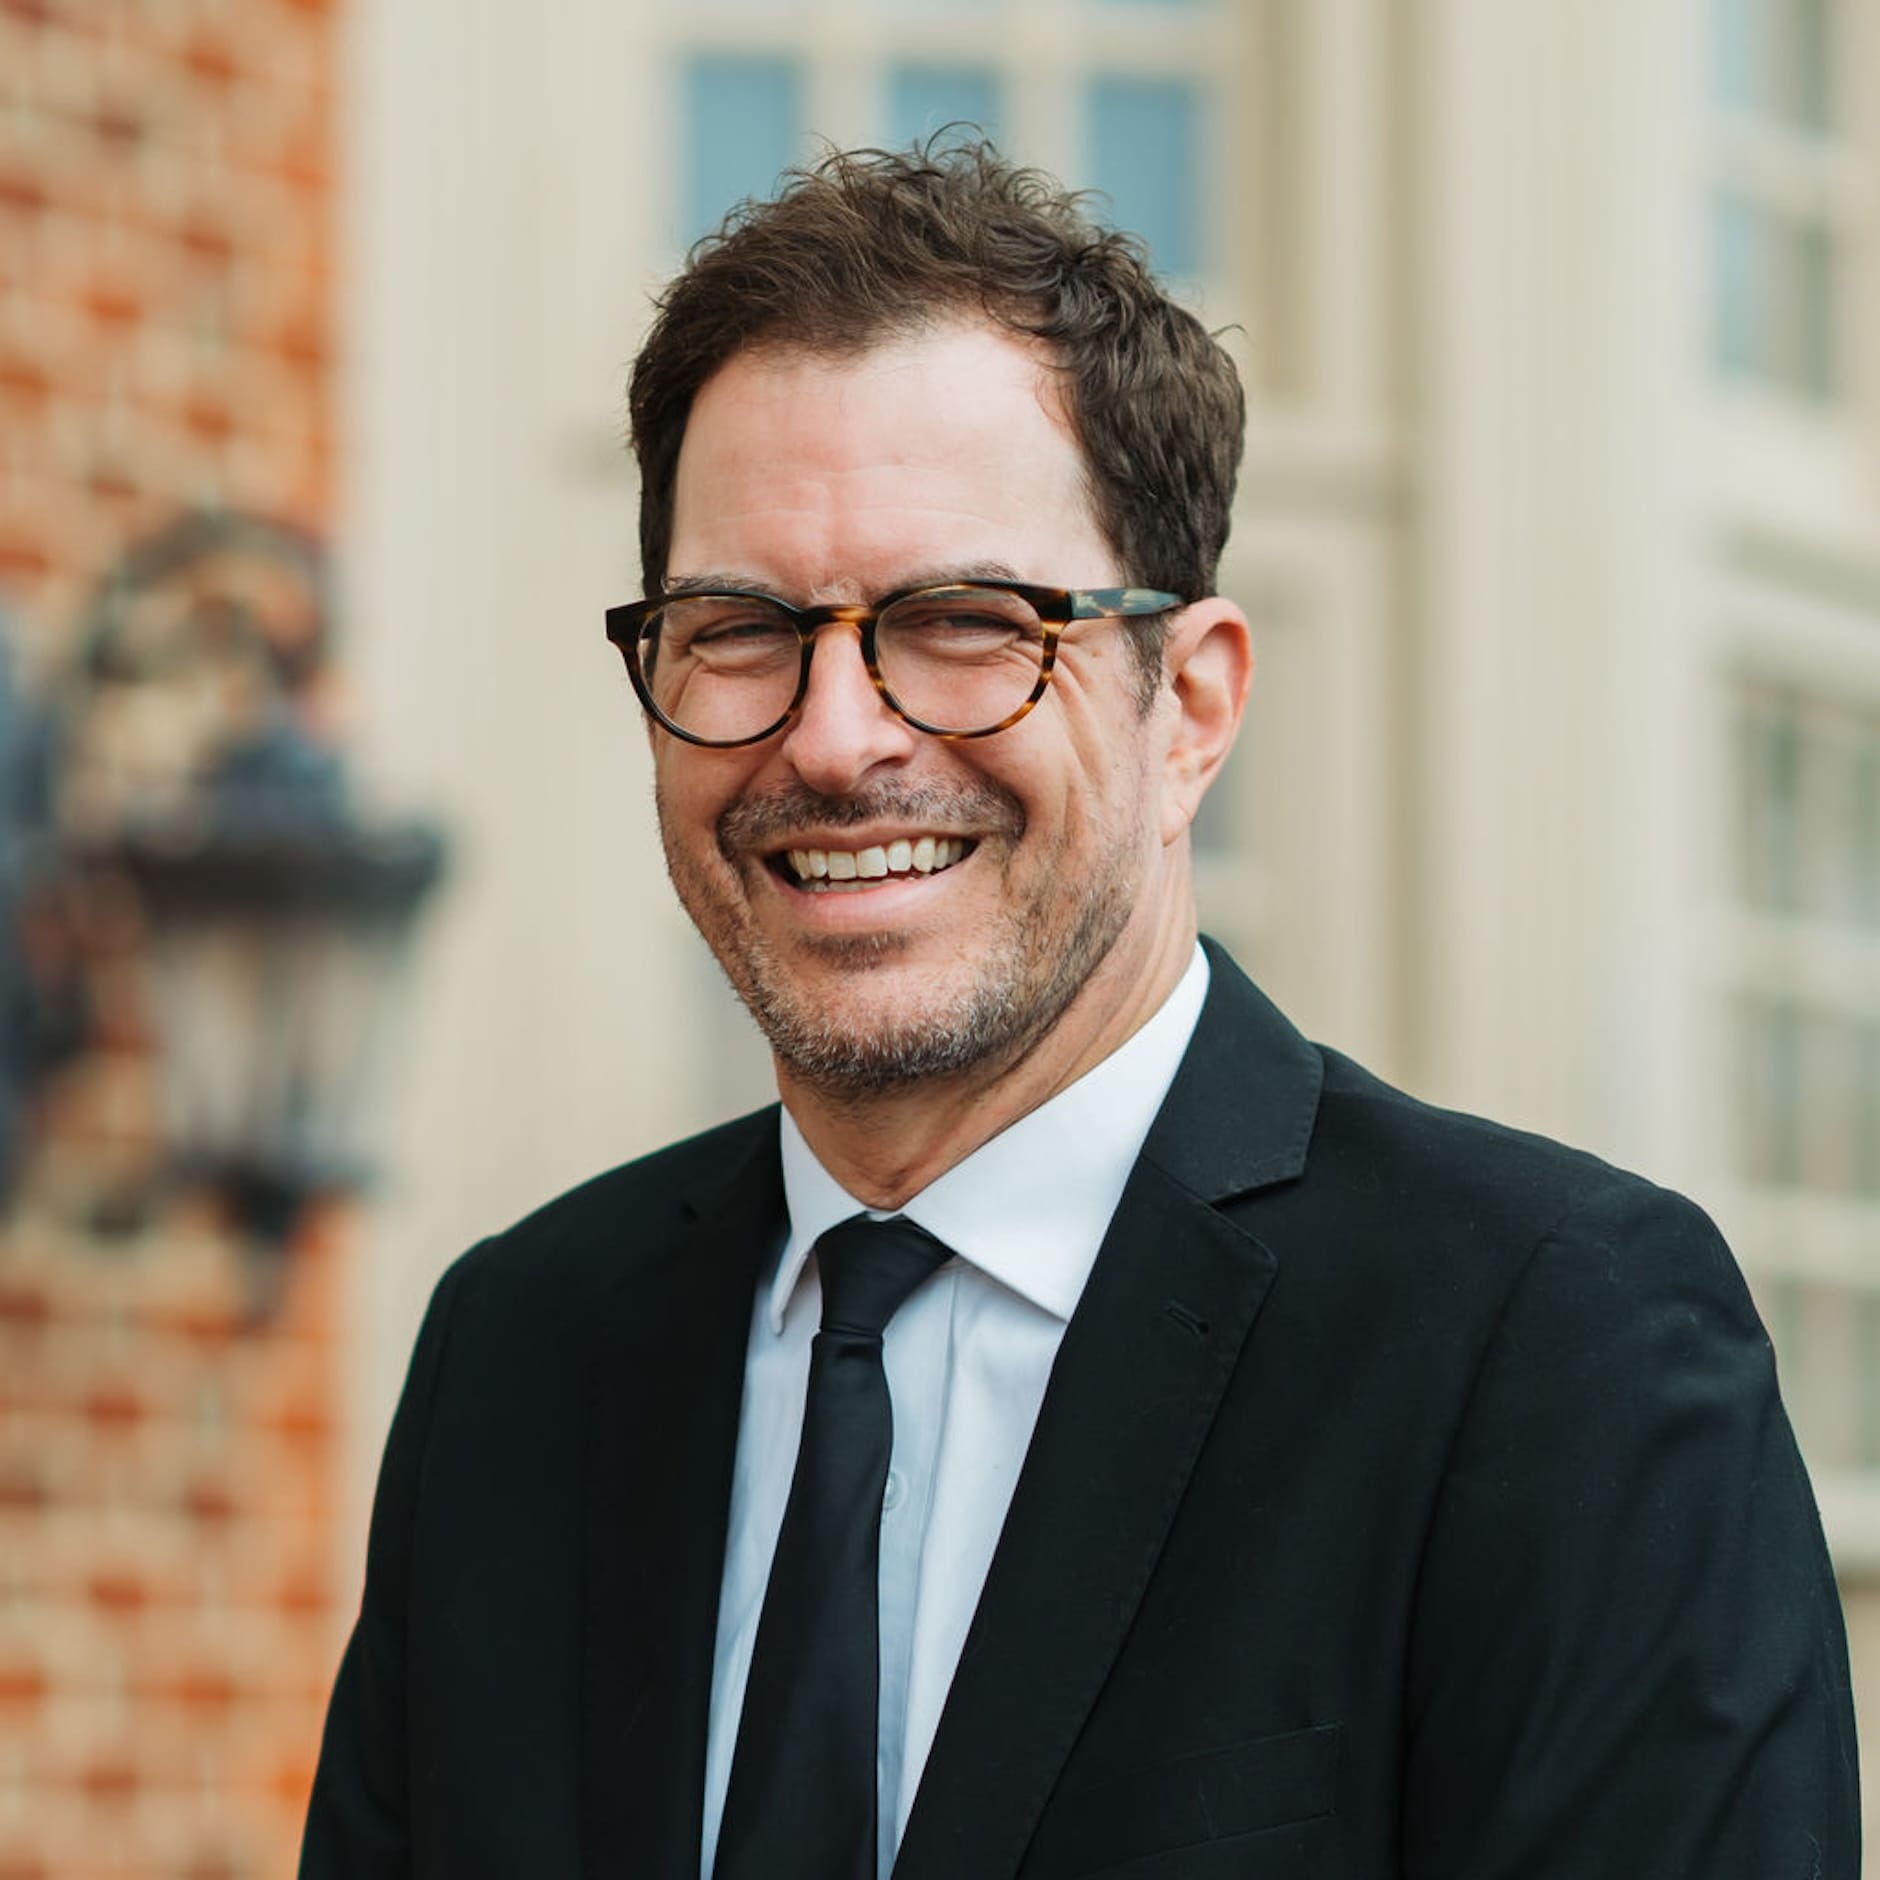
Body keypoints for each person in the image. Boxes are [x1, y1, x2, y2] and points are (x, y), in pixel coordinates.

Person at [300, 143, 1859, 1879]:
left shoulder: (1549, 1347)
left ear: (1187, 705)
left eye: (965, 621)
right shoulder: (521, 1355)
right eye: (735, 628)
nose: (832, 737)